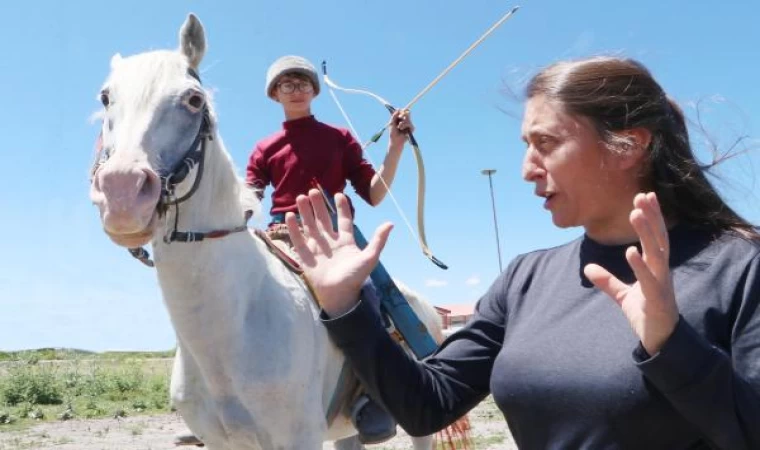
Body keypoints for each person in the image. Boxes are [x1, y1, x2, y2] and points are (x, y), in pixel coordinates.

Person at [284, 56, 760, 449]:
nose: (527, 169)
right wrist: (344, 304)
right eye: (526, 145)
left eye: (546, 143)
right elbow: (425, 406)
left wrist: (671, 345)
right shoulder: (526, 279)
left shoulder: (741, 267)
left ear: (628, 146)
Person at [246, 55, 417, 445]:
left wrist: (395, 145)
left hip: (336, 236)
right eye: (286, 83)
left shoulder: (340, 137)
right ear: (274, 94)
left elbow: (373, 193)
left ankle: (371, 398)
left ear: (314, 90)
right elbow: (248, 199)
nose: (295, 88)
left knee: (369, 301)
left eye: (302, 81)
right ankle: (221, 399)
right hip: (281, 236)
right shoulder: (264, 147)